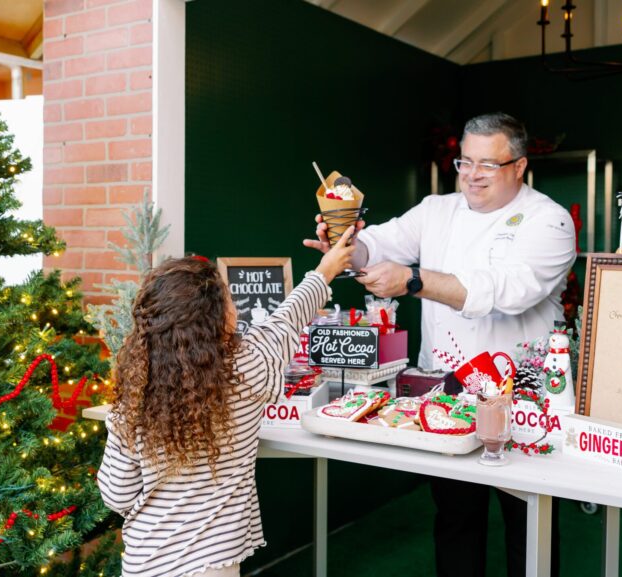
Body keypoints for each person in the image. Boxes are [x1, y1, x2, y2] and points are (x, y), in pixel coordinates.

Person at [304, 112, 575, 576]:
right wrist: (349, 243)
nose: (472, 175)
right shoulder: (436, 210)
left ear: (519, 166)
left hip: (524, 395)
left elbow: (506, 292)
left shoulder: (549, 221)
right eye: (465, 162)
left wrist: (413, 280)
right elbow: (381, 243)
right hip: (446, 388)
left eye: (488, 164)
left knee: (529, 521)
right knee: (455, 517)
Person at [98, 226, 357, 577]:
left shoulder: (133, 396)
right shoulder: (250, 366)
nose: (235, 307)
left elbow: (116, 495)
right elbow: (287, 319)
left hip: (147, 562)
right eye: (230, 300)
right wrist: (326, 270)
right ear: (218, 321)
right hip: (214, 565)